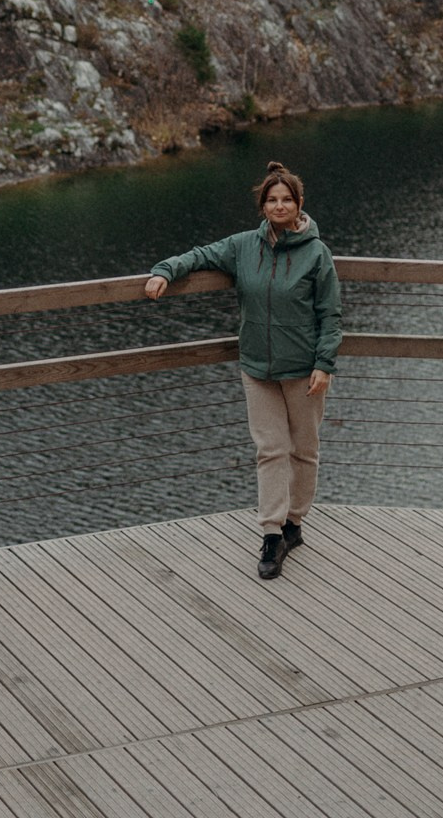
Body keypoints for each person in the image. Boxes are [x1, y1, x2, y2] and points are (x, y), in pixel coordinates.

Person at [144, 161, 340, 579]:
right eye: (272, 200)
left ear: (299, 204)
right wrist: (165, 271)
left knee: (304, 450)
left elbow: (330, 314)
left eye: (287, 199)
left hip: (303, 369)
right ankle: (272, 534)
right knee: (270, 449)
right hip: (257, 367)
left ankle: (294, 523)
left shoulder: (316, 254)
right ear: (262, 206)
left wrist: (324, 364)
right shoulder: (243, 247)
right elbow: (199, 255)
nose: (279, 206)